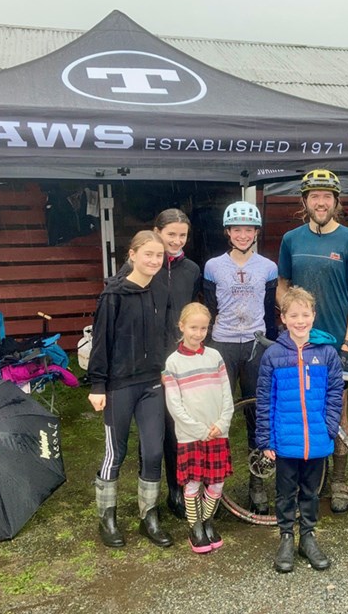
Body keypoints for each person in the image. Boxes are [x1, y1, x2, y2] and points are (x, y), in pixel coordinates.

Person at [276, 168, 348, 513]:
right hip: (301, 342)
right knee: (301, 409)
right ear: (305, 201)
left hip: (335, 344)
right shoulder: (291, 240)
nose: (321, 202)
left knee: (338, 412)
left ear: (336, 202)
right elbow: (283, 285)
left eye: (327, 196)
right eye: (314, 196)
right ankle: (307, 479)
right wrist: (289, 317)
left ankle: (339, 480)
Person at [112, 208, 202, 520]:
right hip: (150, 364)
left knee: (178, 428)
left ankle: (177, 491)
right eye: (170, 234)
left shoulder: (191, 270)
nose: (176, 241)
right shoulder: (137, 270)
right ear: (156, 232)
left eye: (182, 235)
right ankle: (149, 497)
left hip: (182, 359)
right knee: (153, 432)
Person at [87, 230, 174, 549]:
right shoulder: (113, 295)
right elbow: (102, 341)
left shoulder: (160, 288)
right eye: (147, 254)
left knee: (153, 451)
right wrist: (98, 384)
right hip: (118, 386)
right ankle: (107, 517)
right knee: (116, 452)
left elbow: (165, 330)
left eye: (159, 256)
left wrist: (165, 365)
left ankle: (148, 515)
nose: (153, 260)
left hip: (152, 383)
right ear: (132, 254)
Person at [256, 286, 344, 573]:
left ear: (313, 316)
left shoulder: (327, 353)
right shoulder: (273, 355)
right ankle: (285, 537)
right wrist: (266, 438)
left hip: (317, 438)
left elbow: (335, 393)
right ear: (283, 318)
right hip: (285, 440)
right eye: (294, 315)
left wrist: (330, 426)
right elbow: (265, 400)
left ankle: (307, 536)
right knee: (285, 492)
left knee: (310, 492)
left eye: (305, 314)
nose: (300, 320)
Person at [203, 200, 279, 515]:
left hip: (256, 344)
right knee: (218, 415)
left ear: (256, 232)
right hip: (223, 344)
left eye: (249, 229)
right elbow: (209, 308)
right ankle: (212, 484)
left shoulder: (268, 267)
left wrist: (273, 344)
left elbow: (271, 312)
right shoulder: (213, 266)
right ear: (228, 232)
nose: (243, 235)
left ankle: (256, 483)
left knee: (256, 413)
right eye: (238, 229)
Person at [162, 302, 235, 554]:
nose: (198, 333)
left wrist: (222, 422)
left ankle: (207, 520)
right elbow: (174, 405)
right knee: (192, 483)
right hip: (191, 435)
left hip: (217, 431)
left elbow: (227, 393)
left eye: (203, 328)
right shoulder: (173, 363)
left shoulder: (215, 357)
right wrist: (199, 430)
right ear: (181, 326)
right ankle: (195, 527)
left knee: (216, 483)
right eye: (193, 327)